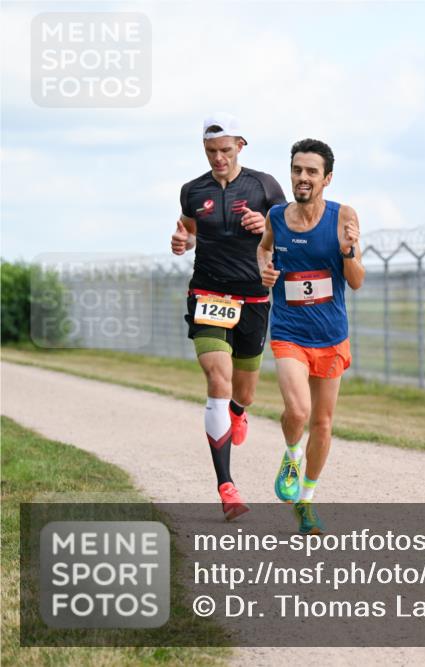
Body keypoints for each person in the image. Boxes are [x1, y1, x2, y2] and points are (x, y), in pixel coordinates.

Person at [171, 112, 286, 521]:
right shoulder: (192, 190)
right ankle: (227, 487)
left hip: (253, 297)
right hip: (208, 292)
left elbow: (289, 231)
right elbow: (190, 228)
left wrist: (266, 225)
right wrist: (183, 240)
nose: (218, 158)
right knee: (217, 380)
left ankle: (238, 412)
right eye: (210, 151)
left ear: (241, 146)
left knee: (244, 392)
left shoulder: (264, 185)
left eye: (224, 150)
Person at [257, 138, 364, 534]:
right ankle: (291, 455)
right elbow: (263, 250)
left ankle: (306, 501)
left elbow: (356, 281)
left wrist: (348, 252)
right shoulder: (276, 216)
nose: (302, 177)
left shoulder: (343, 216)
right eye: (297, 170)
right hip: (289, 331)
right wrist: (265, 270)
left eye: (311, 172)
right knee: (298, 411)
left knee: (322, 422)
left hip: (331, 335)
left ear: (326, 179)